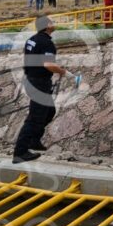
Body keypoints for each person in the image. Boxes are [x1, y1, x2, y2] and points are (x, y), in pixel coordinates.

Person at [13, 16, 72, 164]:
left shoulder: (32, 40)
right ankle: (20, 152)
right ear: (47, 26)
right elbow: (48, 64)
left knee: (49, 111)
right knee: (35, 118)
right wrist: (63, 72)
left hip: (32, 79)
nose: (54, 23)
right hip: (39, 83)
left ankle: (34, 140)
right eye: (51, 22)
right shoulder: (46, 43)